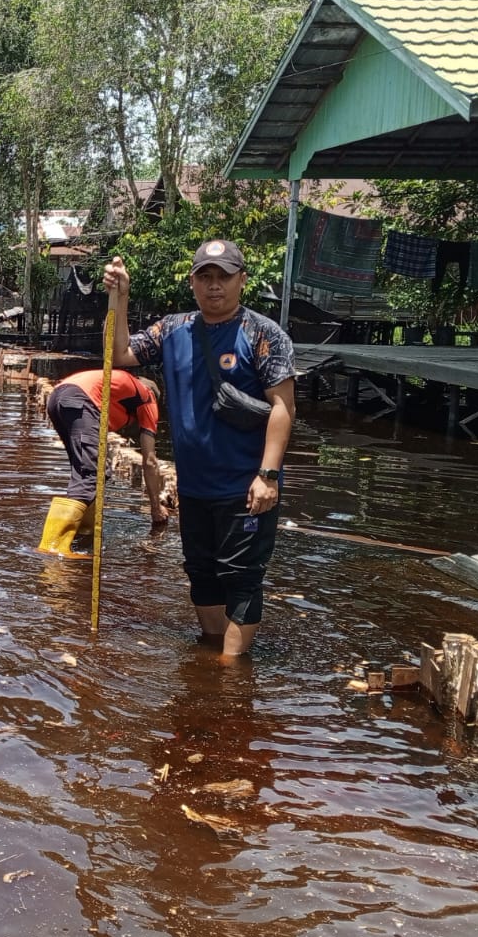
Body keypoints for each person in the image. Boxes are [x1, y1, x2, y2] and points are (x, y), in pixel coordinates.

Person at [104, 239, 296, 657]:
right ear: (192, 283)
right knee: (201, 574)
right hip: (194, 486)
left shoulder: (262, 334)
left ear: (241, 281)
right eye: (204, 278)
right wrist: (121, 296)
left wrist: (268, 475)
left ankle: (228, 676)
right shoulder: (173, 329)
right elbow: (120, 354)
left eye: (223, 278)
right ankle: (212, 656)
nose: (214, 287)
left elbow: (283, 407)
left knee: (242, 577)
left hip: (245, 485)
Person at [38, 368, 169, 556]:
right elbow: (149, 461)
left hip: (58, 397)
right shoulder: (147, 397)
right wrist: (156, 507)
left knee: (83, 472)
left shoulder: (117, 387)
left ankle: (82, 534)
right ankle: (52, 548)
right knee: (93, 473)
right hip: (80, 400)